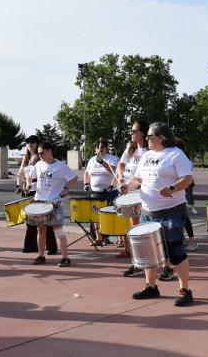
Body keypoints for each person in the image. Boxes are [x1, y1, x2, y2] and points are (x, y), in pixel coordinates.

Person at [124, 122, 195, 306]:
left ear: (161, 137)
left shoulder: (175, 154)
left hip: (172, 209)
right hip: (148, 210)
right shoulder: (146, 155)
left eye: (149, 136)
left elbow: (187, 179)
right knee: (148, 251)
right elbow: (137, 179)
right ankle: (150, 286)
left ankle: (185, 290)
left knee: (175, 251)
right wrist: (127, 186)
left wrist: (172, 188)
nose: (146, 139)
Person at [31, 142, 78, 267]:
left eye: (41, 152)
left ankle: (65, 257)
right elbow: (33, 179)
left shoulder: (60, 166)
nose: (39, 155)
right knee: (40, 230)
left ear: (49, 151)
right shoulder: (38, 165)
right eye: (38, 153)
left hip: (54, 204)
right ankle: (41, 255)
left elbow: (74, 178)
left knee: (58, 231)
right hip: (40, 204)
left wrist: (66, 189)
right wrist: (28, 186)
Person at [116, 120, 149, 275]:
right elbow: (120, 165)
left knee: (145, 228)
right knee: (133, 227)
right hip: (129, 190)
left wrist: (130, 185)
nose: (132, 134)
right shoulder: (131, 147)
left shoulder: (149, 150)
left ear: (143, 132)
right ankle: (137, 261)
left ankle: (149, 261)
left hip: (142, 191)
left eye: (135, 131)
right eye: (132, 131)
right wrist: (122, 179)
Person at [17, 135, 59, 254]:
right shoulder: (26, 158)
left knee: (46, 220)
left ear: (37, 144)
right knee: (30, 221)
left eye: (32, 142)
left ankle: (51, 247)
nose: (30, 145)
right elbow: (21, 173)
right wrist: (19, 185)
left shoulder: (40, 158)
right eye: (28, 143)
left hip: (40, 191)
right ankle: (31, 246)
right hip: (28, 191)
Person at [83, 138, 119, 244]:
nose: (100, 149)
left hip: (109, 192)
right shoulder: (91, 160)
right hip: (95, 191)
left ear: (106, 148)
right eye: (98, 147)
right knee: (96, 215)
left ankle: (116, 238)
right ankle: (98, 238)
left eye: (102, 147)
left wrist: (102, 162)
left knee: (111, 214)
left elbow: (114, 171)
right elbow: (86, 173)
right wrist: (86, 184)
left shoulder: (111, 158)